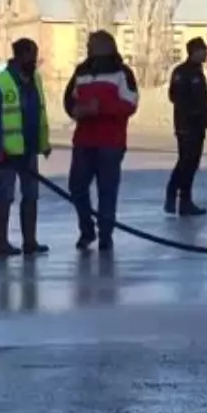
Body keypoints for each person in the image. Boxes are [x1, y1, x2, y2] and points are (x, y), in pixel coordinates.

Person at [63, 30, 138, 251]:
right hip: (84, 141)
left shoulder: (122, 73)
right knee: (76, 186)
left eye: (91, 45)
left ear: (104, 46)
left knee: (107, 189)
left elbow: (131, 103)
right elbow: (69, 100)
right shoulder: (82, 71)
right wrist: (77, 110)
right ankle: (87, 230)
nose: (87, 48)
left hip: (110, 142)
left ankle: (106, 235)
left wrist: (101, 109)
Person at [0, 38, 51, 257]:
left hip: (30, 150)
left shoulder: (36, 80)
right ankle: (1, 243)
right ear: (18, 56)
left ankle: (30, 241)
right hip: (8, 152)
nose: (33, 61)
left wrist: (44, 144)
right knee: (6, 195)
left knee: (31, 195)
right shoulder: (0, 83)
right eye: (30, 56)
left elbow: (40, 113)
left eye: (34, 56)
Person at [164, 37, 207, 216]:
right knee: (186, 161)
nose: (206, 54)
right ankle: (174, 194)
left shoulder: (197, 71)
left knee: (191, 162)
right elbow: (175, 96)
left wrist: (206, 114)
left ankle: (185, 200)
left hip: (197, 125)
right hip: (187, 125)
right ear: (194, 52)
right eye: (203, 50)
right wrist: (194, 113)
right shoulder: (182, 72)